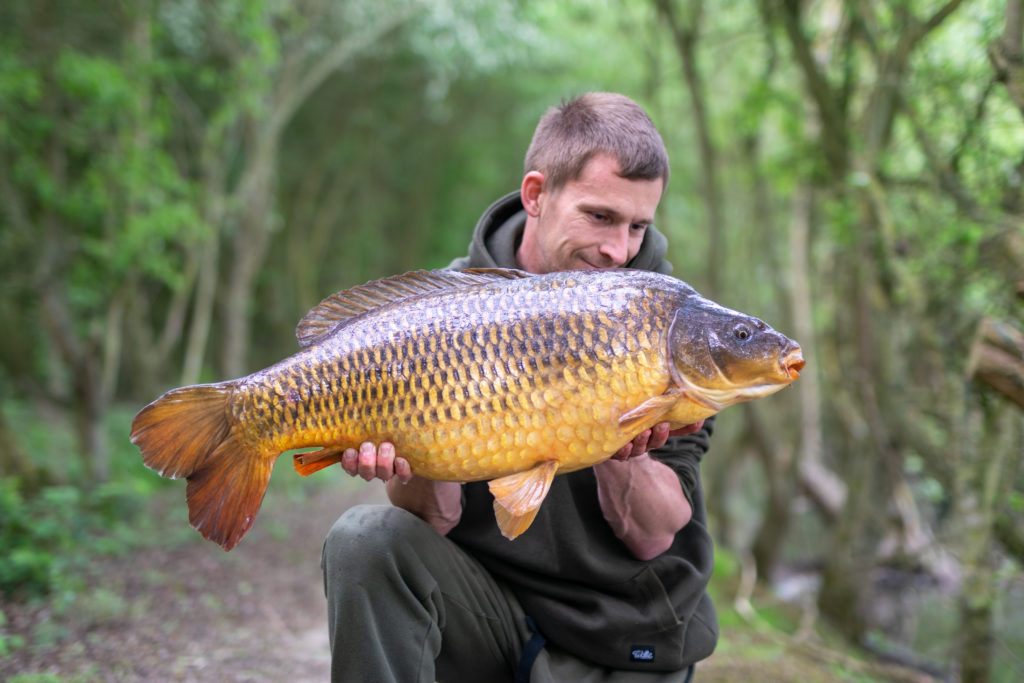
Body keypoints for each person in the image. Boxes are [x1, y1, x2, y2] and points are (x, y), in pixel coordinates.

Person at [321, 92, 718, 682]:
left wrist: (616, 441)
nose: (619, 250)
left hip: (622, 637)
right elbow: (435, 519)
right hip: (483, 614)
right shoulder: (443, 314)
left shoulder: (668, 323)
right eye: (600, 216)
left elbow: (654, 537)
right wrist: (405, 454)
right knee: (363, 540)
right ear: (536, 195)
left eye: (638, 226)